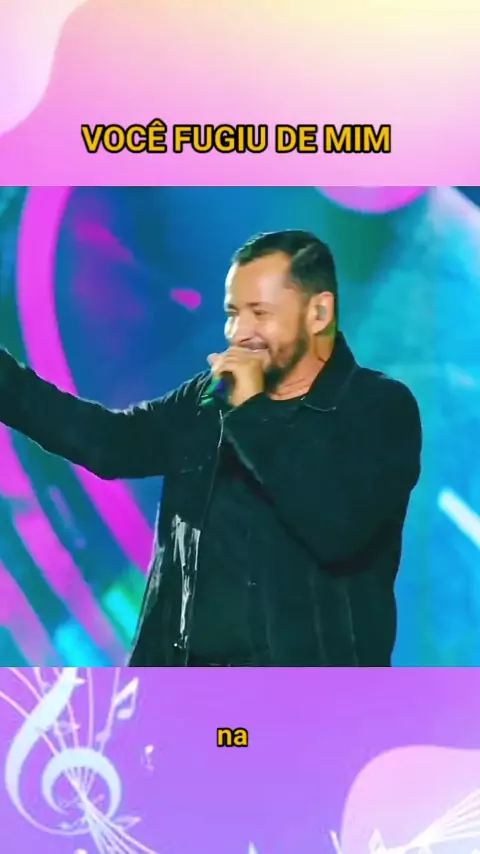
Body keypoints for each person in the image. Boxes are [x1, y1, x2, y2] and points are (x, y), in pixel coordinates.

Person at [0, 230, 422, 666]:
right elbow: (111, 444)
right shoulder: (214, 395)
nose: (239, 332)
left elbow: (338, 529)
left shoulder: (378, 408)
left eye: (259, 313)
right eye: (233, 314)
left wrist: (252, 413)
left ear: (318, 312)